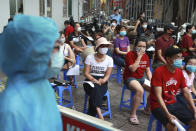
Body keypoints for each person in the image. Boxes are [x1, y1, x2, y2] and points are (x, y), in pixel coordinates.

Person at [0, 15, 62, 130]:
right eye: (54, 48)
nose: (58, 54)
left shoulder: (42, 84)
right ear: (31, 54)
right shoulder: (10, 108)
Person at [150, 45, 196, 131]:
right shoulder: (159, 72)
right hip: (157, 105)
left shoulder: (179, 72)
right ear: (168, 59)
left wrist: (194, 109)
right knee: (173, 126)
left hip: (173, 103)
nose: (180, 60)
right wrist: (168, 114)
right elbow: (158, 96)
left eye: (181, 57)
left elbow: (186, 92)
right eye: (177, 58)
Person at [83, 37, 113, 120]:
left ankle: (94, 112)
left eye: (106, 46)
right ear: (98, 48)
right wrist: (94, 80)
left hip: (102, 82)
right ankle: (99, 113)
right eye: (102, 46)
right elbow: (86, 73)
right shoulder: (90, 57)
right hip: (89, 80)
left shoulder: (109, 59)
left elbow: (107, 75)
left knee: (95, 90)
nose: (105, 48)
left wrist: (103, 80)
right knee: (95, 88)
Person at [123, 38, 152, 125]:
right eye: (140, 46)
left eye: (144, 46)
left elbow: (147, 71)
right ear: (135, 46)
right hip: (130, 78)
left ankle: (147, 109)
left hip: (141, 78)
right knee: (140, 91)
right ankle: (133, 114)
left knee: (155, 89)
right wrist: (139, 57)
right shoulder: (129, 55)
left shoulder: (146, 56)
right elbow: (132, 69)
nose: (142, 48)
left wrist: (152, 80)